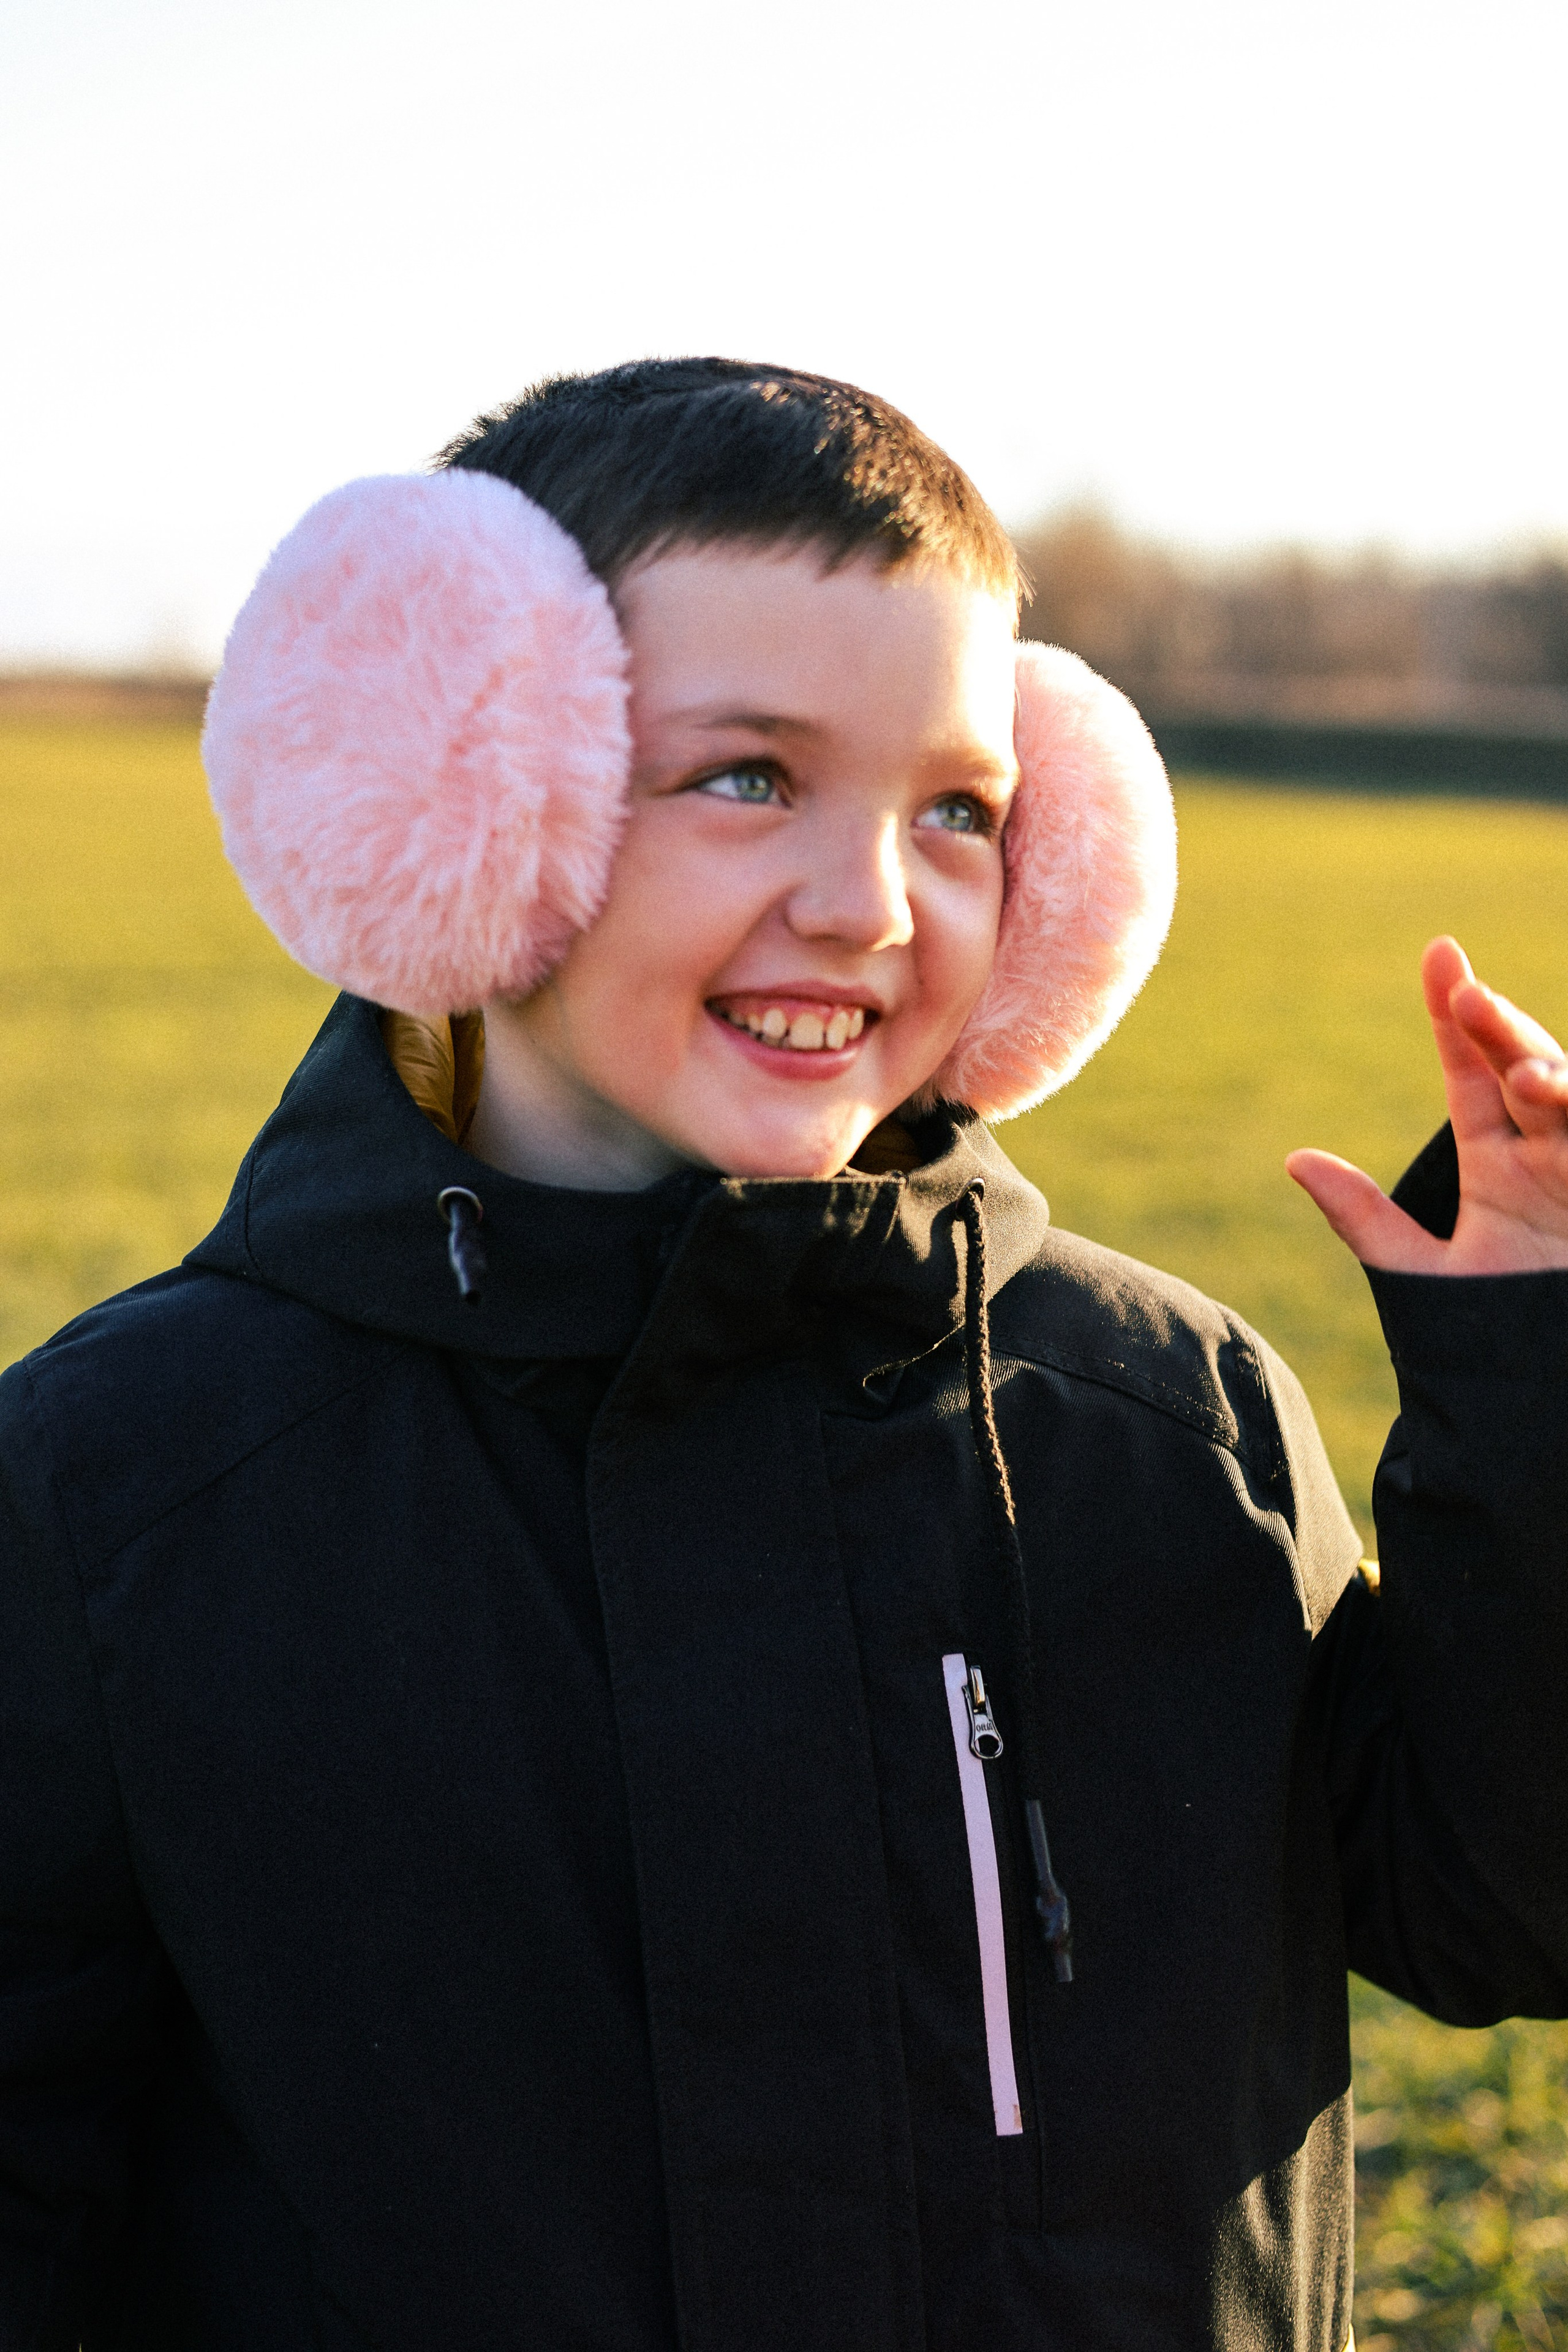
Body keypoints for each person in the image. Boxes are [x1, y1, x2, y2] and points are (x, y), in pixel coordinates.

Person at [1, 358, 1564, 2352]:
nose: (868, 904)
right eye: (748, 777)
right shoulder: (129, 1494)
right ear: (460, 789)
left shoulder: (1168, 1426)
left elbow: (1508, 1902)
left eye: (962, 811)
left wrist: (1535, 1389)